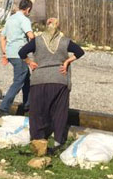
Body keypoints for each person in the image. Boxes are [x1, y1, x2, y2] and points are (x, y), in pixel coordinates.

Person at [18, 18, 84, 156]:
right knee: (59, 111)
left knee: (37, 111)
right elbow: (80, 52)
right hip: (59, 79)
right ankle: (58, 142)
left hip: (39, 79)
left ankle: (38, 140)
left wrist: (30, 62)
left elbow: (21, 52)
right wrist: (66, 62)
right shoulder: (65, 41)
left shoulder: (36, 41)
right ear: (58, 27)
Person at [0, 0, 35, 117]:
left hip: (11, 53)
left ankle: (28, 105)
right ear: (28, 9)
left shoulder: (10, 18)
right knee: (18, 81)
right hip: (20, 54)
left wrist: (4, 53)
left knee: (26, 79)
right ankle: (3, 108)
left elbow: (2, 37)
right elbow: (31, 36)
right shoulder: (24, 20)